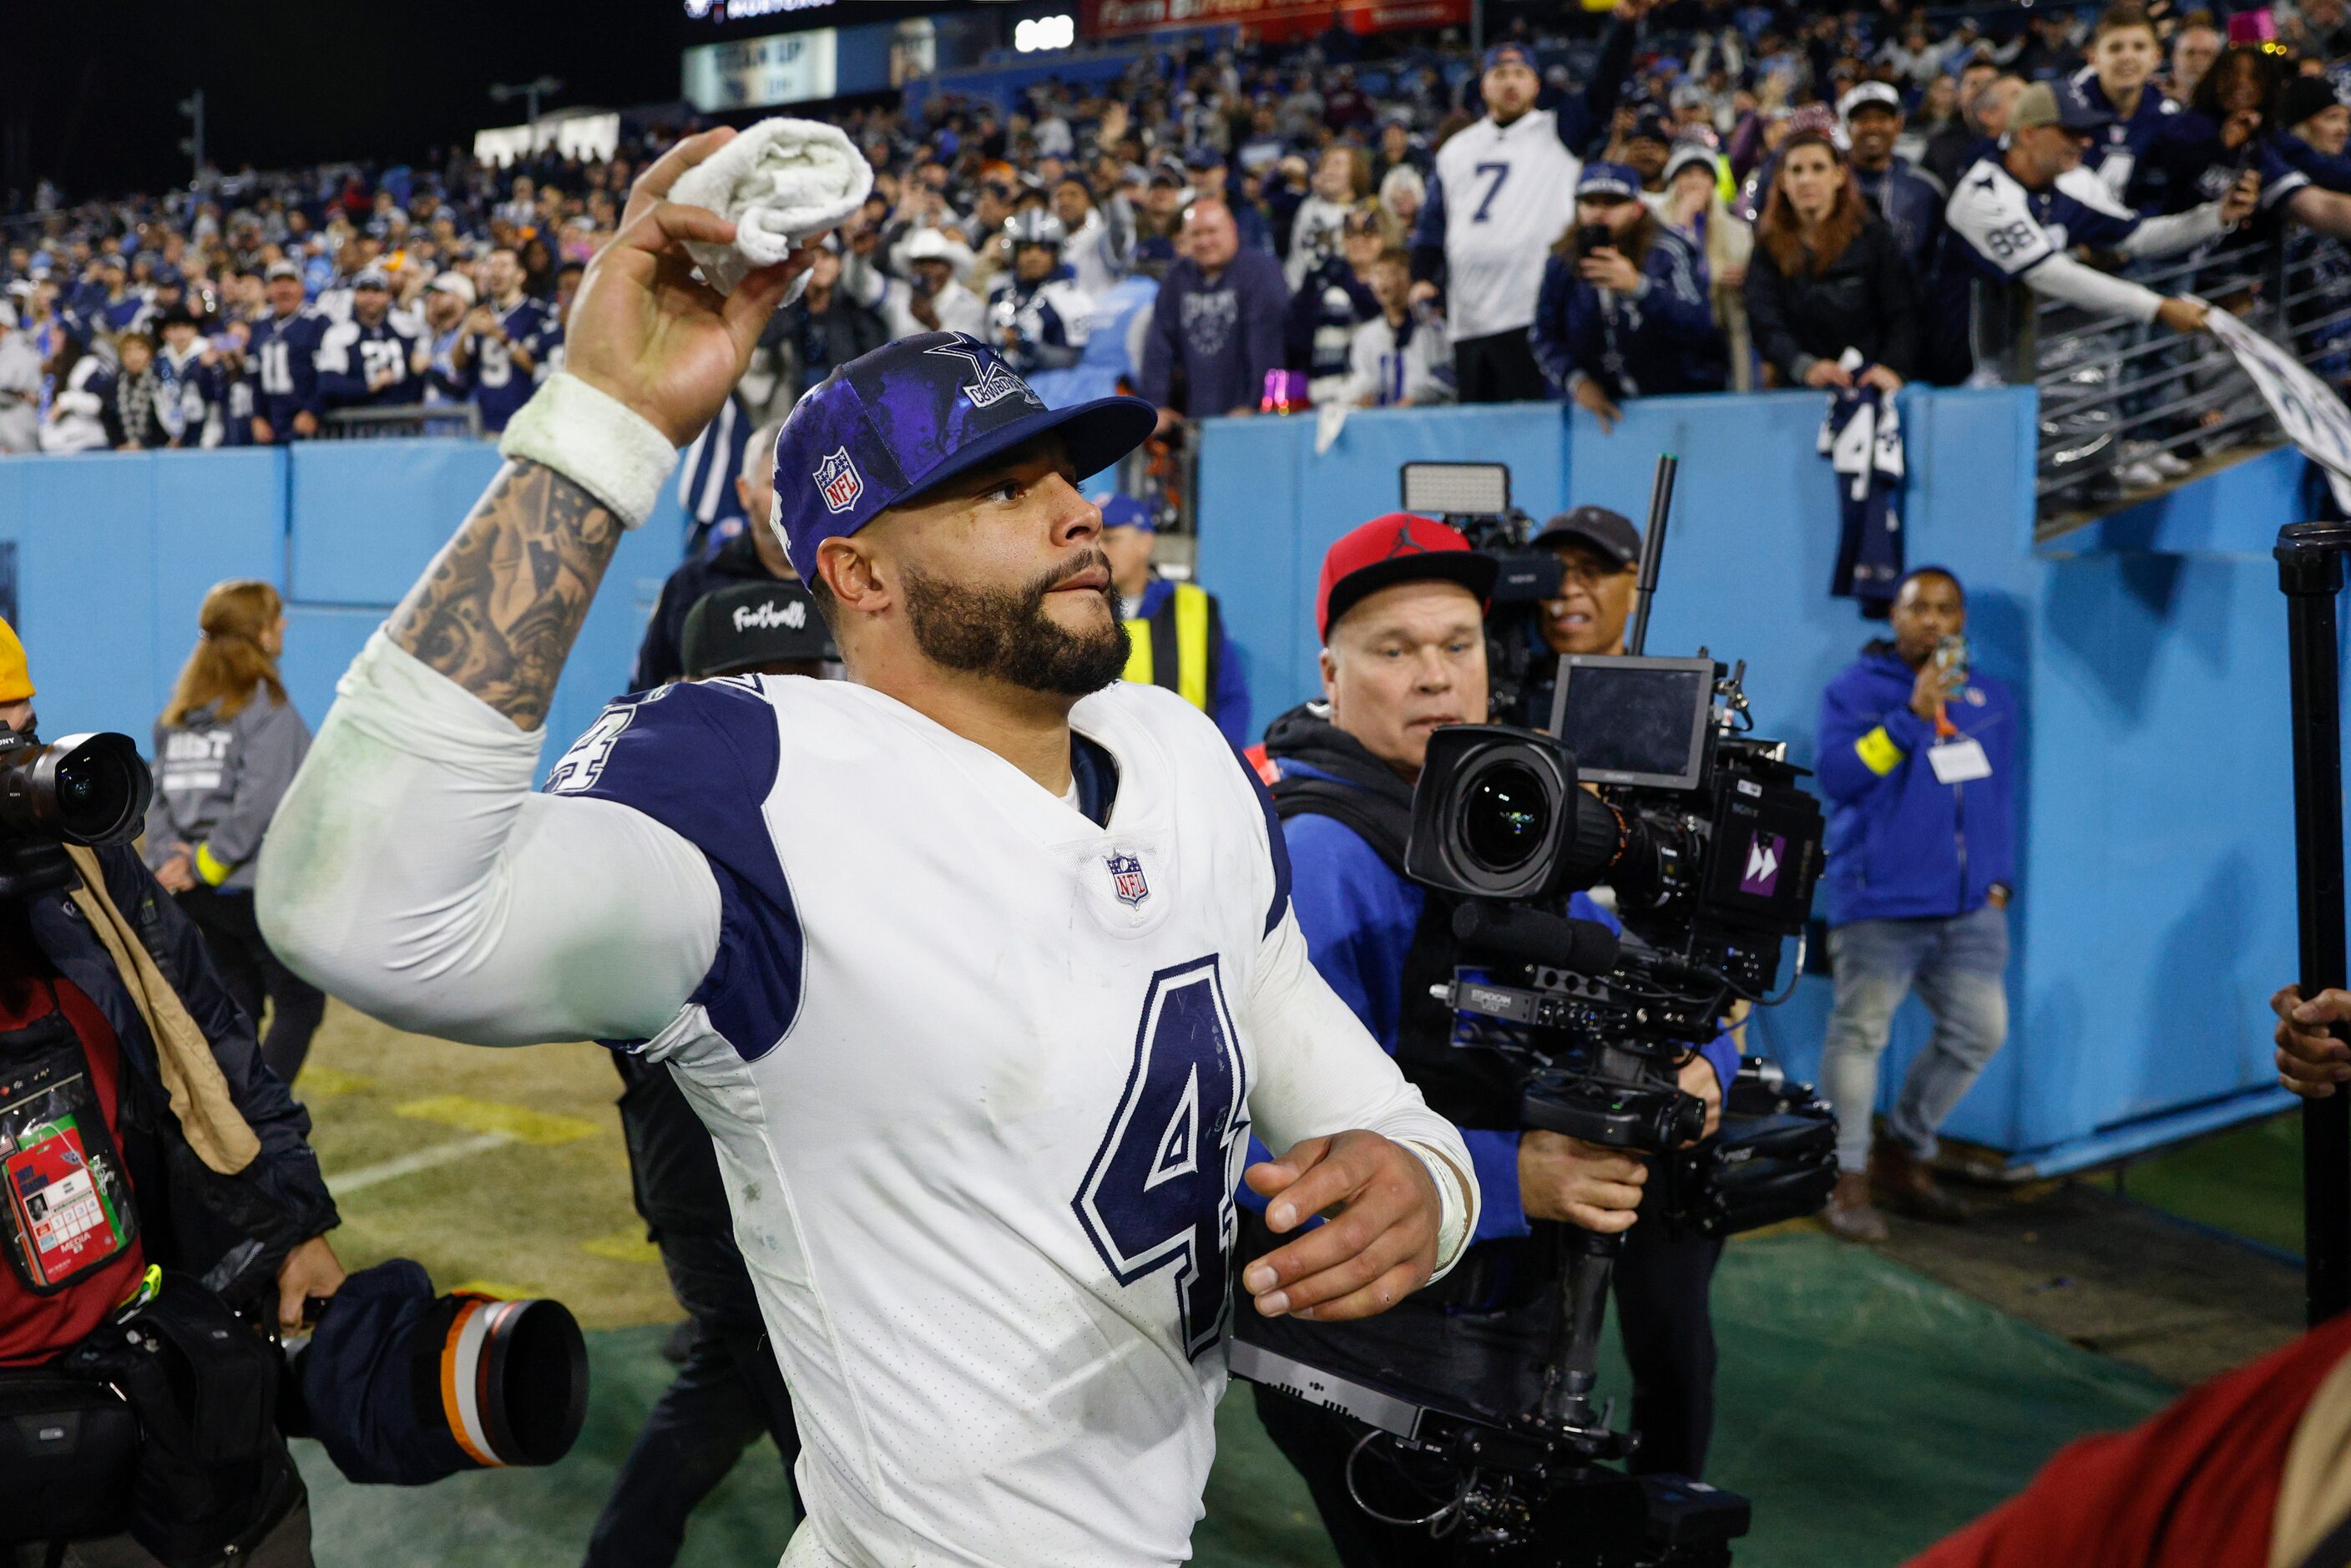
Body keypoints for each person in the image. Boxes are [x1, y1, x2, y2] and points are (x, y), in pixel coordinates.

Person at [256, 129, 1473, 1568]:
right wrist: (602, 422)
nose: (1078, 513)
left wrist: (1425, 1190)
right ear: (857, 570)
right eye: (999, 490)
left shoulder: (1175, 753)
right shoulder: (759, 787)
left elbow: (1363, 1102)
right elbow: (354, 910)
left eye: (1066, 476)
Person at [1248, 515, 1737, 1566]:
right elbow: (1271, 1159)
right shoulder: (1325, 855)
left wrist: (1703, 1068)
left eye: (1456, 646)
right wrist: (1526, 1179)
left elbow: (1648, 987)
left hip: (1496, 1328)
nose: (1434, 677)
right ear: (1330, 673)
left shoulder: (1495, 816)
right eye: (1394, 650)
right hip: (1373, 1355)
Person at [0, 609, 345, 1567]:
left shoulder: (81, 872)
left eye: (20, 731)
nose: (16, 770)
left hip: (157, 1354)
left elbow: (216, 1036)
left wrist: (293, 1223)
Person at [587, 580, 834, 1568]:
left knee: (744, 1388)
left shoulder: (839, 808)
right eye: (750, 687)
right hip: (713, 1179)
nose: (780, 708)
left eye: (801, 680)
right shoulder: (644, 826)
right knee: (810, 1422)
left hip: (783, 1183)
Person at [1813, 568, 2018, 1243]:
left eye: (1945, 609)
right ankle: (1844, 1176)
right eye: (1917, 608)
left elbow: (1999, 794)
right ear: (1894, 618)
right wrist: (1910, 718)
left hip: (1968, 910)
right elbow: (1841, 778)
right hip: (1879, 903)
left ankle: (1904, 1151)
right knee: (1861, 1034)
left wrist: (1998, 877)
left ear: (1961, 620)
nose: (1932, 621)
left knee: (1978, 1031)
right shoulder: (1855, 692)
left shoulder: (1990, 697)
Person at [145, 579, 326, 1088]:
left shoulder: (177, 714)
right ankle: (259, 1118)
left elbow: (157, 798)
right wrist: (205, 863)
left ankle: (229, 1111)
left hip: (196, 892)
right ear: (258, 634)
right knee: (301, 1003)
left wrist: (170, 865)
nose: (284, 624)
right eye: (275, 618)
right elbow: (261, 803)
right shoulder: (266, 704)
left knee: (240, 1000)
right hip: (245, 886)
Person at [1409, 19, 1646, 403]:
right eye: (1500, 74)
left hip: (1531, 313)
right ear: (1483, 85)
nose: (1510, 82)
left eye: (1520, 73)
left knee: (1536, 435)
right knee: (1483, 447)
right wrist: (1422, 276)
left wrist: (1623, 24)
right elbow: (1434, 223)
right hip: (1468, 317)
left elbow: (1603, 91)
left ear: (1536, 84)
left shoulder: (1558, 131)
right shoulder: (1457, 149)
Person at [1943, 83, 2257, 353]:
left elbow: (2139, 237)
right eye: (2072, 131)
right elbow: (2049, 274)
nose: (2086, 141)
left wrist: (2215, 216)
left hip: (2041, 355)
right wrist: (2156, 307)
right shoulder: (1982, 195)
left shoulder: (2072, 180)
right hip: (1968, 362)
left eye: (2087, 131)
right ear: (2027, 133)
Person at [1530, 161, 1727, 432]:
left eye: (1612, 202)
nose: (1599, 212)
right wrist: (1577, 381)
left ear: (1637, 209)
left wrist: (1640, 288)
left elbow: (1699, 324)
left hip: (1680, 408)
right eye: (1589, 202)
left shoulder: (1669, 250)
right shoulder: (1562, 261)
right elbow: (1543, 334)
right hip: (1603, 416)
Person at [1744, 130, 1920, 389]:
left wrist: (1892, 369)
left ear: (1839, 176)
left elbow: (1903, 312)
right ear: (1782, 181)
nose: (1806, 180)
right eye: (1796, 170)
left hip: (1872, 385)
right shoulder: (1766, 248)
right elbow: (1765, 323)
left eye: (1818, 168)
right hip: (1797, 391)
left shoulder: (1874, 237)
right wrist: (1804, 367)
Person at [631, 417, 797, 691]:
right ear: (745, 492)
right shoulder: (694, 585)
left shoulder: (844, 581)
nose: (790, 498)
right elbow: (647, 691)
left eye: (800, 485)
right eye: (775, 484)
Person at [1099, 492, 1250, 746]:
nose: (1099, 550)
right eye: (1093, 539)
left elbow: (1232, 697)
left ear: (1145, 543)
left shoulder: (1196, 607)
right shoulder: (1081, 612)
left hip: (1191, 769)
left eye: (1110, 539)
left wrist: (1222, 762)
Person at [1140, 198, 1289, 430]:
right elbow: (1159, 345)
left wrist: (1255, 405)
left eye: (1212, 231)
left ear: (1232, 229)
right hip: (1197, 418)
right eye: (1196, 234)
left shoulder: (1261, 270)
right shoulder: (1176, 277)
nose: (1205, 241)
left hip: (1252, 420)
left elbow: (1267, 345)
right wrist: (1155, 405)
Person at [1286, 204, 1383, 400]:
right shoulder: (1324, 277)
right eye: (1351, 234)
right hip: (1324, 388)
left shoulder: (1397, 280)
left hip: (1377, 385)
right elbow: (1296, 339)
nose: (1359, 241)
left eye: (1368, 233)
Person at [453, 245, 553, 433]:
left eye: (504, 265)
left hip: (526, 424)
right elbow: (458, 364)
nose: (496, 271)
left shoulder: (536, 314)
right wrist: (465, 331)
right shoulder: (480, 313)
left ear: (520, 275)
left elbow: (538, 368)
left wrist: (500, 336)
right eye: (491, 265)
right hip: (486, 424)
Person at [986, 210, 1093, 378]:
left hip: (1050, 393)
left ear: (1055, 253)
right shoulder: (998, 294)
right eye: (1026, 249)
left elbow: (1072, 359)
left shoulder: (1072, 298)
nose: (1034, 257)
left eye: (1043, 249)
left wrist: (1027, 346)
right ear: (1014, 253)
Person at [1343, 245, 1452, 407]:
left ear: (1410, 277)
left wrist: (1414, 400)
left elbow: (1447, 379)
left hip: (1424, 425)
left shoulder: (1433, 329)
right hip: (1381, 427)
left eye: (1392, 273)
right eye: (1379, 274)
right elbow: (1362, 380)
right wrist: (1358, 397)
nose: (1384, 282)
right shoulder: (1366, 336)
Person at [314, 267, 426, 412]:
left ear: (388, 295)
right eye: (364, 290)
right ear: (354, 295)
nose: (370, 297)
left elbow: (423, 370)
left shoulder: (407, 327)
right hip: (359, 424)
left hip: (403, 423)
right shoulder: (339, 333)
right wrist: (370, 386)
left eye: (377, 291)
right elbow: (329, 383)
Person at [245, 259, 324, 444]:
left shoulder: (317, 322)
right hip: (272, 425)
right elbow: (254, 377)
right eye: (277, 283)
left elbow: (326, 375)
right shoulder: (259, 327)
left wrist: (313, 410)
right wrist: (258, 417)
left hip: (310, 424)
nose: (284, 289)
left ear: (302, 288)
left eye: (290, 282)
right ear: (268, 290)